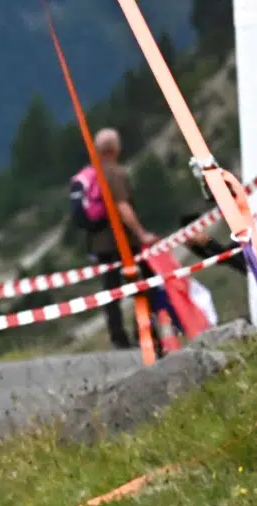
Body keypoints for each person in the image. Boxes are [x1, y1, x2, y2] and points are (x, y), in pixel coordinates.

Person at [86, 128, 169, 351]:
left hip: (100, 244)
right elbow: (123, 207)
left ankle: (118, 338)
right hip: (124, 243)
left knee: (110, 292)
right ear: (116, 148)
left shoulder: (92, 174)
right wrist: (142, 234)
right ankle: (145, 332)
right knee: (143, 286)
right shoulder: (115, 174)